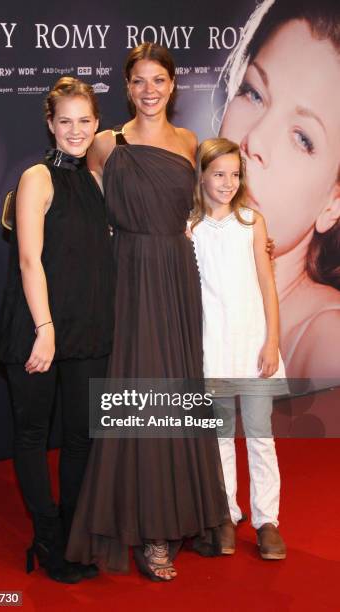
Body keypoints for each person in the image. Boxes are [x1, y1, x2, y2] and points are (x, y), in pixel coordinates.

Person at [66, 43, 229, 581]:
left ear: (173, 84)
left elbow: (213, 202)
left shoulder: (189, 142)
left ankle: (181, 516)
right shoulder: (108, 144)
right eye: (139, 81)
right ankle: (149, 529)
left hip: (176, 275)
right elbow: (82, 203)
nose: (150, 90)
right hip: (129, 276)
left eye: (159, 79)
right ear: (127, 86)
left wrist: (256, 238)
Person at [0, 77, 115, 582]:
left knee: (82, 435)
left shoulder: (95, 181)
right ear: (50, 123)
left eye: (85, 120)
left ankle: (71, 532)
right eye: (66, 120)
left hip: (86, 327)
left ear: (96, 124)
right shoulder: (36, 177)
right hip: (37, 327)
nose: (76, 130)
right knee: (34, 434)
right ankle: (45, 539)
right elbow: (28, 259)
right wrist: (45, 328)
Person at [218, 0, 340, 379]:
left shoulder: (326, 346)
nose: (254, 140)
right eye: (254, 93)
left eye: (303, 139)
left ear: (333, 205)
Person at [191, 137, 287, 560]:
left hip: (253, 348)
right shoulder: (189, 229)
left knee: (261, 436)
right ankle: (227, 514)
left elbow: (268, 286)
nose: (227, 183)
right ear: (202, 176)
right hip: (214, 348)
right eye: (218, 174)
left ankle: (267, 522)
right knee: (220, 437)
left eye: (234, 175)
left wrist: (272, 341)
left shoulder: (252, 222)